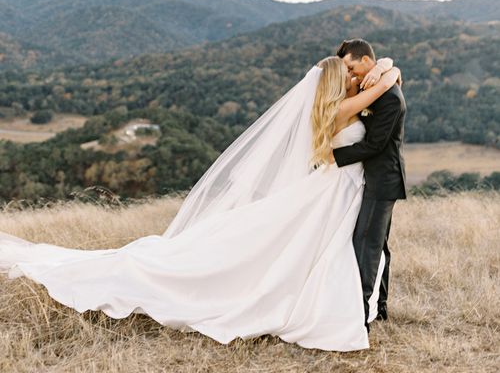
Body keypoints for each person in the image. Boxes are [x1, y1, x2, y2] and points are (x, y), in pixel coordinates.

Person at [0, 55, 401, 352]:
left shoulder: (330, 108)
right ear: (334, 83)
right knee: (295, 248)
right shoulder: (340, 109)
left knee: (308, 248)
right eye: (347, 73)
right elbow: (384, 87)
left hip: (337, 190)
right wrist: (389, 69)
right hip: (333, 191)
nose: (355, 76)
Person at [332, 39, 407, 333]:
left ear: (366, 61)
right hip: (371, 178)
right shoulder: (374, 85)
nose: (351, 75)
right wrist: (389, 67)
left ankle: (362, 315)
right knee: (376, 244)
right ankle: (380, 307)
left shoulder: (389, 98)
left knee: (369, 245)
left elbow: (375, 144)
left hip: (382, 180)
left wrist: (334, 157)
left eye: (352, 67)